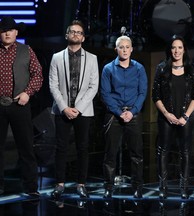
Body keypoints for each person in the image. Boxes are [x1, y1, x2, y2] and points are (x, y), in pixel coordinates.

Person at [49, 20, 99, 199]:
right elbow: (53, 85)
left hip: (83, 111)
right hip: (62, 110)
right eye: (72, 32)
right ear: (66, 35)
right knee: (61, 147)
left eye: (79, 32)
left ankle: (81, 184)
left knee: (82, 147)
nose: (75, 34)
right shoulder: (56, 57)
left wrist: (77, 108)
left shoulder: (92, 59)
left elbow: (94, 86)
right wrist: (64, 108)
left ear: (83, 38)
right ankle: (60, 183)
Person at [152, 35, 194, 199]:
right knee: (163, 151)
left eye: (180, 47)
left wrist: (185, 116)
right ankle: (162, 187)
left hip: (185, 117)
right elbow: (155, 96)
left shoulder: (192, 69)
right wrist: (166, 114)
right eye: (173, 47)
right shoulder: (162, 68)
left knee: (185, 152)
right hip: (167, 117)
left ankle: (184, 187)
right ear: (169, 50)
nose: (176, 51)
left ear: (184, 49)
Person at [0, 16, 43, 196]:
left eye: (10, 29)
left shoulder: (27, 51)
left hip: (20, 105)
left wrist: (27, 93)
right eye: (3, 30)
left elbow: (37, 75)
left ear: (16, 32)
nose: (7, 33)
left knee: (26, 148)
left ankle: (31, 187)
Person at [101, 35, 148, 198]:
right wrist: (119, 112)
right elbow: (105, 94)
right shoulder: (108, 69)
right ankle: (108, 186)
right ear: (116, 49)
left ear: (132, 49)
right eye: (121, 47)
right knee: (110, 153)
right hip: (114, 114)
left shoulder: (139, 68)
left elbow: (142, 93)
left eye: (127, 47)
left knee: (136, 154)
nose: (125, 50)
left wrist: (132, 111)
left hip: (133, 114)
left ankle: (137, 187)